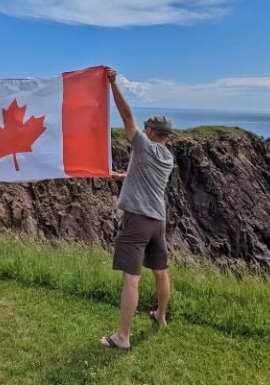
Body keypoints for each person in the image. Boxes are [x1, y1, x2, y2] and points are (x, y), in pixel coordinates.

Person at [100, 67, 175, 350]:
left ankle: (122, 337)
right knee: (160, 270)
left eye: (147, 128)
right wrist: (123, 176)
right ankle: (160, 315)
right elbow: (144, 174)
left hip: (137, 220)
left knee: (131, 278)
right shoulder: (167, 156)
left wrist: (113, 84)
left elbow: (126, 116)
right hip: (158, 220)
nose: (143, 129)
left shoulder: (143, 144)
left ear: (152, 131)